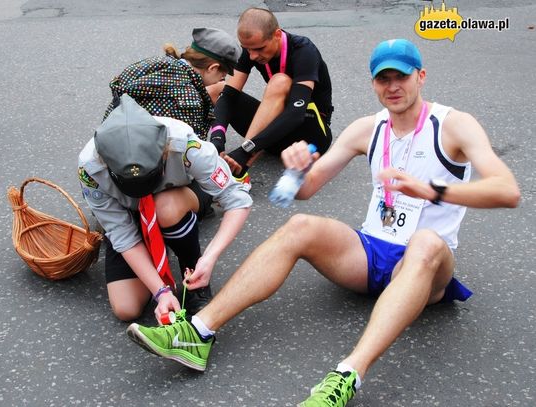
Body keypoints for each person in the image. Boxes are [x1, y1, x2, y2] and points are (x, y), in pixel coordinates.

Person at [125, 39, 520, 406]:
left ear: (421, 76)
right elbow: (307, 188)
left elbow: (507, 191)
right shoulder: (369, 128)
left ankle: (346, 376)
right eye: (384, 78)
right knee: (301, 225)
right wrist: (294, 169)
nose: (393, 85)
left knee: (427, 242)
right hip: (370, 253)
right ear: (374, 84)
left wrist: (431, 190)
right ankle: (197, 333)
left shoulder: (454, 125)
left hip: (425, 267)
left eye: (402, 75)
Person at [78, 94, 252, 321]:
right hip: (133, 214)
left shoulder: (184, 142)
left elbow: (236, 198)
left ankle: (192, 273)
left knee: (165, 207)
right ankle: (159, 243)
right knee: (126, 309)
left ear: (165, 152)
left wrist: (209, 258)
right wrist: (161, 291)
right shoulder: (89, 168)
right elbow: (121, 233)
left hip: (180, 197)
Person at [208, 7, 334, 185]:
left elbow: (295, 114)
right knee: (216, 89)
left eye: (259, 49)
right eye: (247, 49)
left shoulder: (304, 50)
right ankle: (202, 155)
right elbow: (228, 96)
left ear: (276, 34)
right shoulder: (252, 49)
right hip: (276, 137)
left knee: (279, 81)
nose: (252, 56)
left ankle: (240, 168)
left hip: (310, 137)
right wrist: (217, 137)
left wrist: (246, 149)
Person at [104, 27, 242, 141]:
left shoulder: (161, 65)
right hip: (142, 159)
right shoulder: (189, 98)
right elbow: (192, 149)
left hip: (110, 139)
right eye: (222, 76)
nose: (221, 80)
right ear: (213, 68)